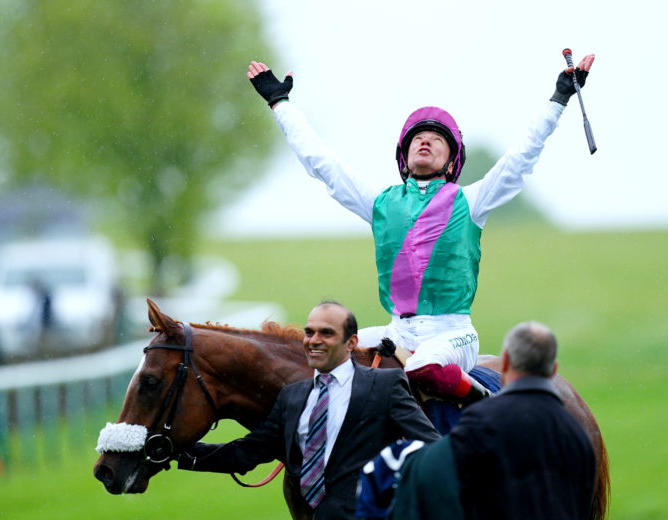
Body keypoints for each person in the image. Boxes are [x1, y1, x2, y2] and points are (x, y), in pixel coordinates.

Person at [247, 53, 595, 405]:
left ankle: (486, 404)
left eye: (436, 139)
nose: (425, 142)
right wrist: (280, 103)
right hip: (395, 329)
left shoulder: (471, 201)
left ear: (451, 160)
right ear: (405, 154)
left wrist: (559, 99)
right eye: (418, 138)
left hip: (452, 335)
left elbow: (521, 158)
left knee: (423, 368)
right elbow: (322, 164)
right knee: (322, 356)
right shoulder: (380, 204)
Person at [176, 301, 440, 520]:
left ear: (351, 343)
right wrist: (178, 453)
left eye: (326, 333)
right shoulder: (292, 396)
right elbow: (247, 452)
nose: (314, 340)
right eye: (309, 332)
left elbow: (431, 446)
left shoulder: (385, 385)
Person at [383, 321, 597, 519]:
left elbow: (440, 476)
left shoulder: (481, 420)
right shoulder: (576, 432)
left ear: (505, 362)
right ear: (554, 369)